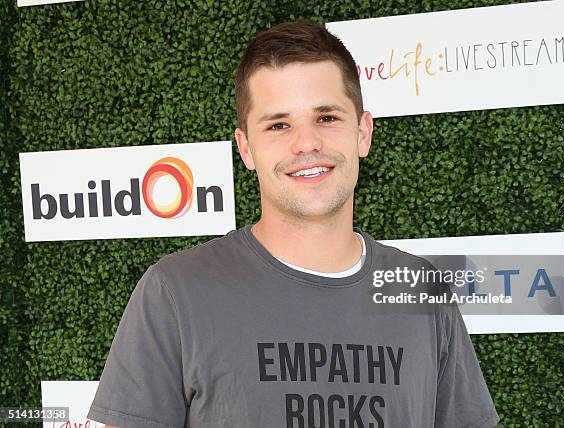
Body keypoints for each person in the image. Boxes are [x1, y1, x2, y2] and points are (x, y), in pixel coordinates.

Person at [88, 21, 500, 428]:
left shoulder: (419, 289)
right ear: (246, 148)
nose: (306, 143)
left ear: (363, 132)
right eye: (279, 125)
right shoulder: (176, 291)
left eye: (326, 118)